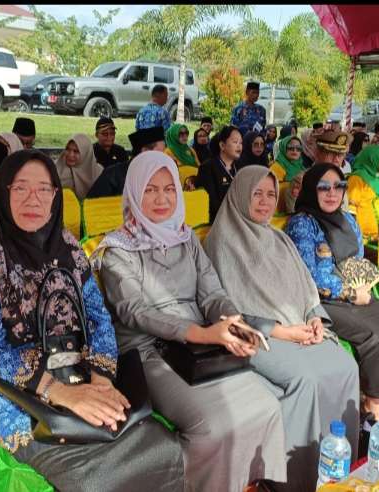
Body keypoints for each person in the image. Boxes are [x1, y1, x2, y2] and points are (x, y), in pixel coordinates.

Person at [0, 150, 185, 491]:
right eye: (20, 188)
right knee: (96, 481)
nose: (33, 199)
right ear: (3, 191)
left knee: (164, 450)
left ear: (56, 195)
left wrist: (101, 380)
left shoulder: (68, 247)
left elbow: (98, 318)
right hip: (19, 402)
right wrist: (62, 395)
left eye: (44, 189)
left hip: (82, 378)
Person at [95, 152, 288, 491]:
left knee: (267, 405)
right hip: (148, 352)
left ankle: (245, 483)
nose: (162, 199)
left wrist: (234, 322)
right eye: (150, 190)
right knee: (211, 426)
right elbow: (134, 311)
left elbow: (212, 294)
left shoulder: (185, 239)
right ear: (134, 192)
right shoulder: (117, 250)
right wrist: (201, 333)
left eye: (170, 189)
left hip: (200, 346)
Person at [203, 165, 360, 489]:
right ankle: (295, 479)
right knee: (306, 379)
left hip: (298, 326)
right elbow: (228, 310)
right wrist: (282, 331)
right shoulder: (222, 243)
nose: (265, 202)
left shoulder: (279, 238)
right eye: (256, 194)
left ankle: (338, 473)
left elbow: (305, 286)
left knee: (346, 367)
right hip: (258, 335)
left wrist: (314, 317)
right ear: (239, 195)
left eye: (271, 194)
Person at [287, 163, 379, 418]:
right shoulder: (302, 224)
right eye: (323, 187)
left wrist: (360, 288)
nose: (332, 193)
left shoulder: (348, 220)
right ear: (311, 189)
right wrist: (351, 294)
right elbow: (310, 277)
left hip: (358, 295)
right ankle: (372, 409)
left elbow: (358, 260)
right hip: (323, 301)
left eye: (339, 186)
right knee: (378, 339)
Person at [86, 127, 165, 199]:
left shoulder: (162, 174)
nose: (164, 158)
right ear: (145, 151)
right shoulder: (112, 176)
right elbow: (92, 205)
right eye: (160, 154)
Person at [196, 125, 242, 223]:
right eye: (235, 142)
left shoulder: (239, 166)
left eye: (241, 143)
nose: (239, 146)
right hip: (217, 222)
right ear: (222, 145)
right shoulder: (207, 168)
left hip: (239, 219)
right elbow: (212, 204)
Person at [347, 145, 379, 240]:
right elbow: (350, 211)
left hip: (378, 238)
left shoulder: (378, 180)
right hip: (362, 239)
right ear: (372, 159)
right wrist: (355, 237)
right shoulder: (357, 179)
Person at [55, 134, 103, 200]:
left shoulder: (98, 172)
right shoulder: (55, 168)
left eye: (76, 151)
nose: (70, 155)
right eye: (68, 149)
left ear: (86, 153)